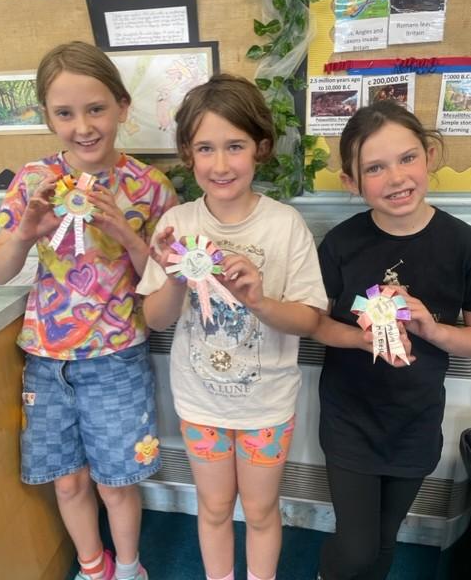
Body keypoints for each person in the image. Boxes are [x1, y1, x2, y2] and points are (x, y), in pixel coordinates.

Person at [0, 41, 178, 580]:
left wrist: (125, 231)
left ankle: (130, 568)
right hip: (46, 362)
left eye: (96, 109)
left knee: (116, 483)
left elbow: (164, 283)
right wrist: (25, 232)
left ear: (122, 106)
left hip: (117, 360)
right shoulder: (34, 181)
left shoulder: (150, 187)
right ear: (47, 117)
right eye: (65, 113)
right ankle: (94, 568)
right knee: (67, 480)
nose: (83, 126)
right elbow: (0, 271)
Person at [136, 73, 328, 580]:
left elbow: (310, 319)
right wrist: (174, 278)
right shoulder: (177, 224)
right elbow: (154, 319)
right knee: (215, 508)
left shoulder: (284, 225)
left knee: (261, 512)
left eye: (235, 146)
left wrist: (259, 300)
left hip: (267, 404)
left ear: (260, 148)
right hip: (200, 403)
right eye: (206, 148)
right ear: (187, 153)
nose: (220, 164)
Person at [313, 100, 471, 580]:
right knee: (357, 548)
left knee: (384, 541)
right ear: (352, 182)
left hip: (415, 420)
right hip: (350, 416)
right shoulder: (340, 244)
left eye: (407, 158)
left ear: (429, 155)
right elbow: (315, 325)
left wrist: (432, 329)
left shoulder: (462, 243)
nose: (396, 178)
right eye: (375, 168)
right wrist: (358, 339)